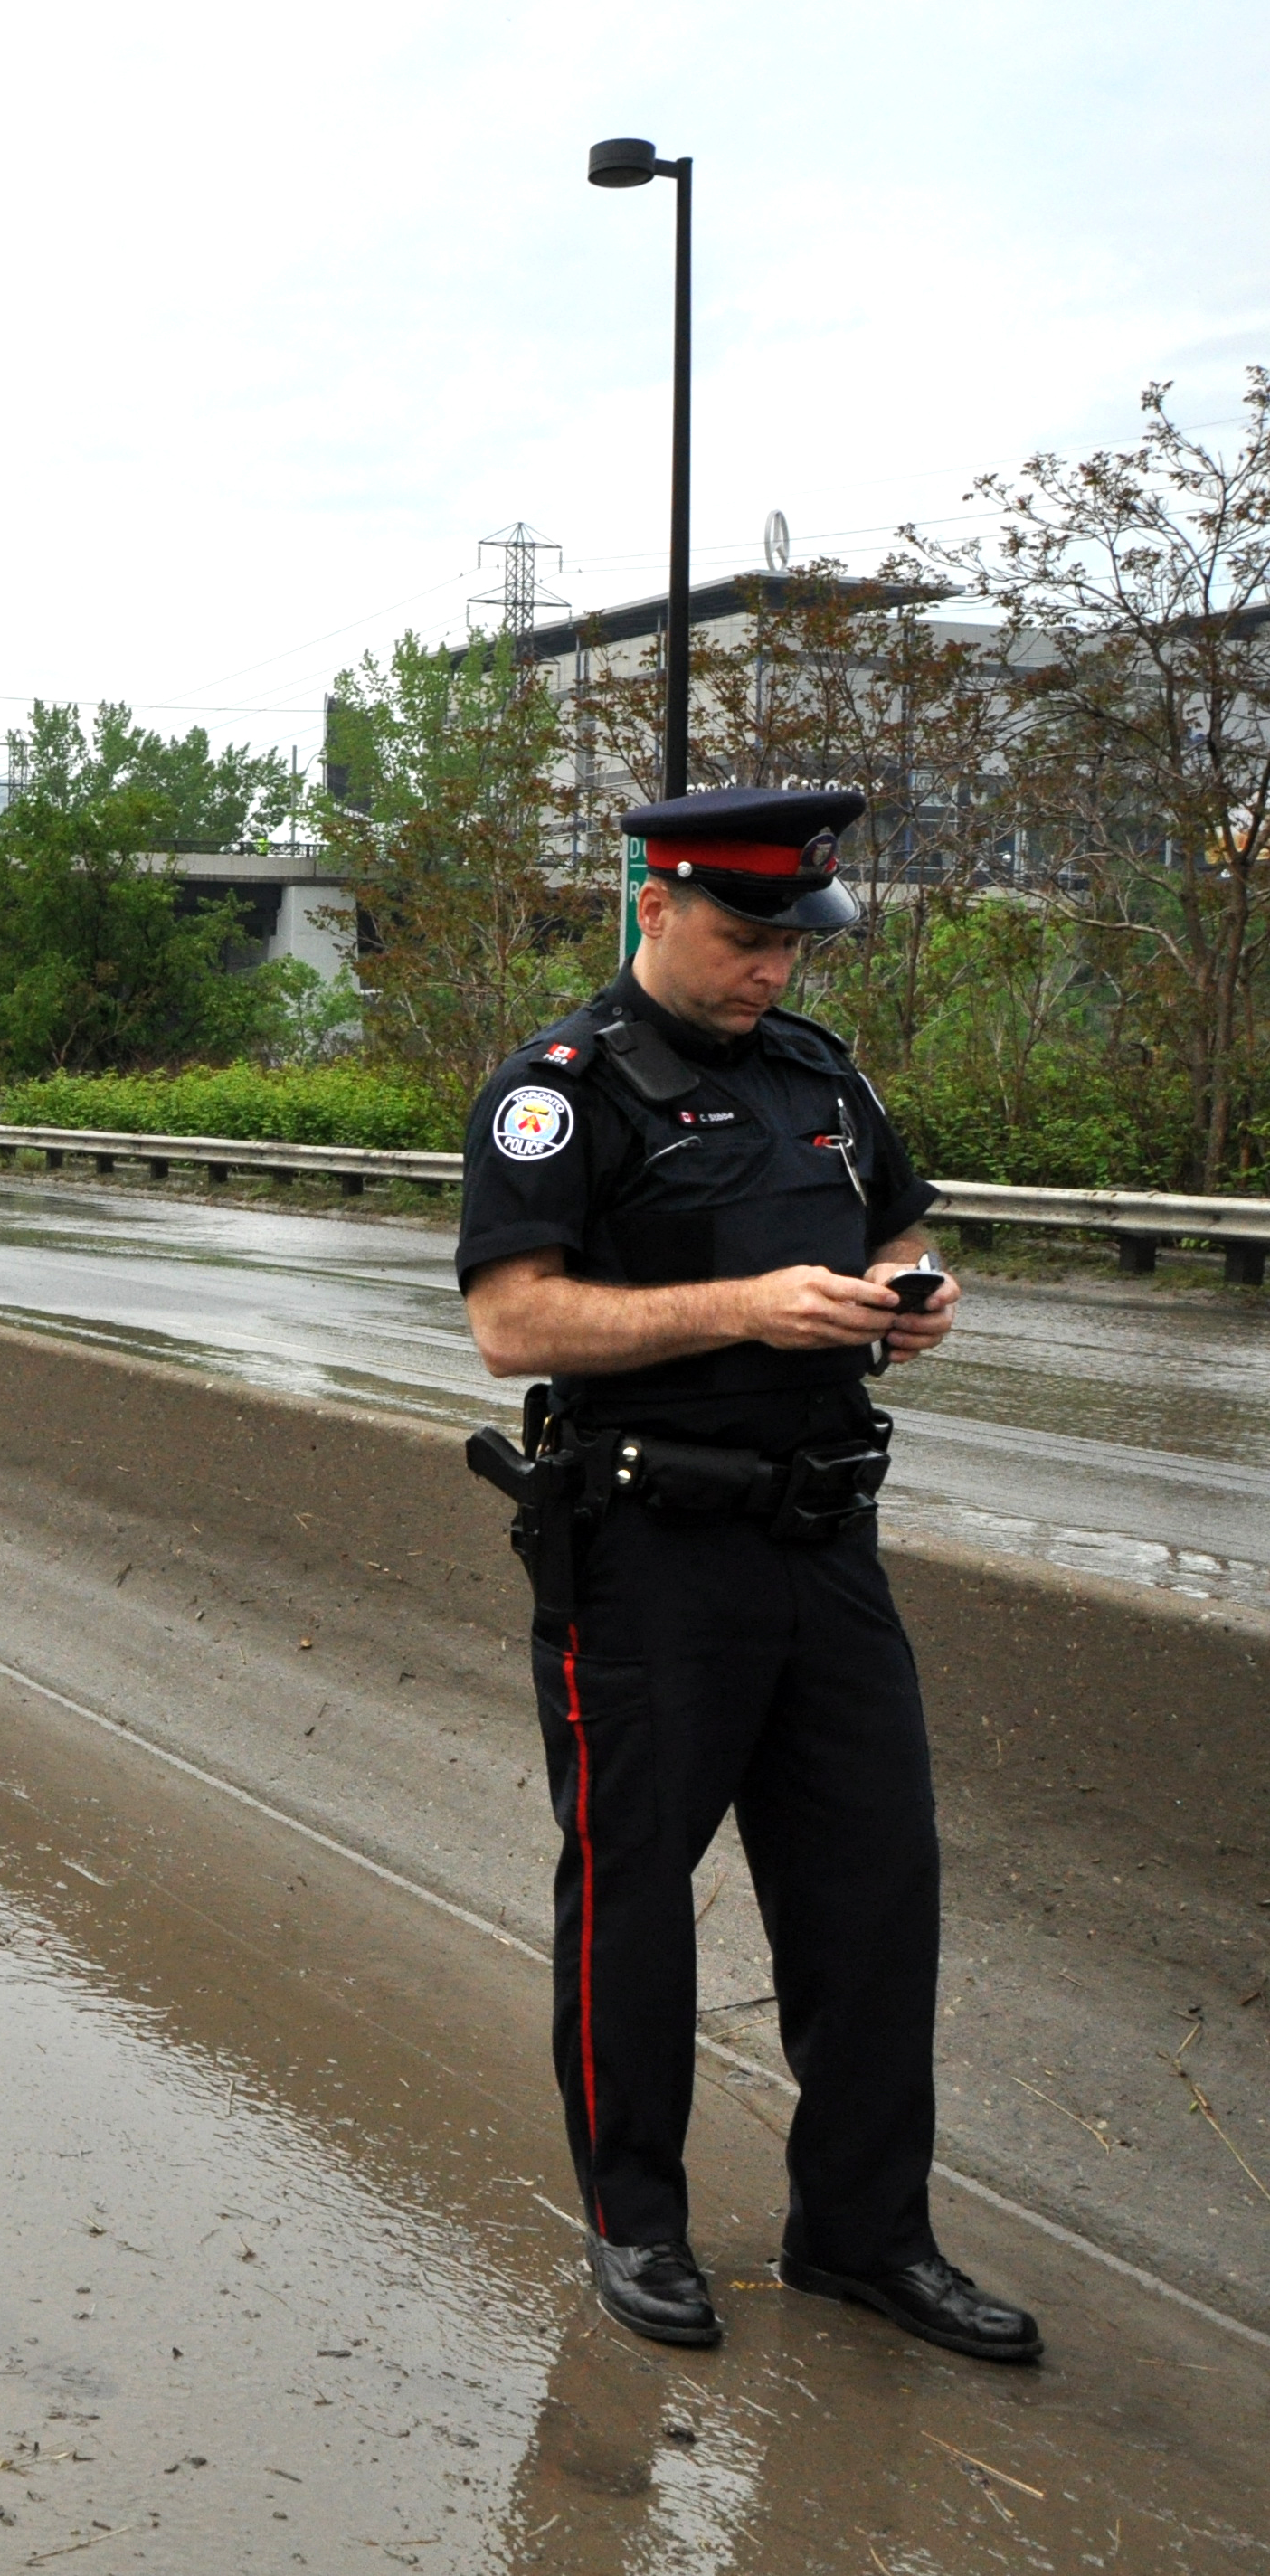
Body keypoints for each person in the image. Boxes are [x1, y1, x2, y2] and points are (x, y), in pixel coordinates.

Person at [454, 784, 1039, 2365]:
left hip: (825, 1550)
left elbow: (908, 1230)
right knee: (637, 1897)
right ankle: (636, 2220)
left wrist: (921, 1300)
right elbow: (515, 1322)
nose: (773, 967)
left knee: (873, 1896)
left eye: (795, 939)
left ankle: (863, 2236)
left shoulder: (820, 1078)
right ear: (654, 903)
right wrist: (746, 1309)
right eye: (743, 934)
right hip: (649, 1558)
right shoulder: (566, 1094)